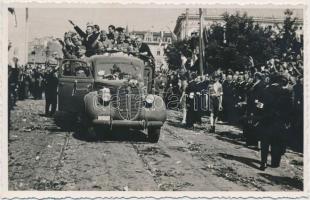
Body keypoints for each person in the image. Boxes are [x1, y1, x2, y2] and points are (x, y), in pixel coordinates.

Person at [258, 74, 292, 170]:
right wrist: (287, 121)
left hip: (266, 119)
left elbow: (259, 104)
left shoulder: (266, 89)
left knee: (265, 142)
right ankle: (275, 162)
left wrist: (260, 113)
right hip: (280, 121)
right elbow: (290, 108)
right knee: (276, 142)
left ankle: (263, 162)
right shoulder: (288, 92)